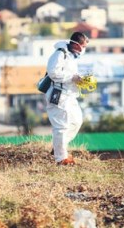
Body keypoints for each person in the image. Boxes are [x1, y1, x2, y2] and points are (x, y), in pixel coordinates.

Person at [45, 31, 89, 165]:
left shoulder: (72, 56)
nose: (84, 49)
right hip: (59, 95)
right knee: (61, 126)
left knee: (76, 121)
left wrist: (79, 80)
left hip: (70, 94)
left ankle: (59, 147)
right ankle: (61, 158)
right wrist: (72, 78)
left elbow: (69, 74)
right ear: (76, 45)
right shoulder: (60, 54)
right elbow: (53, 73)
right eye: (84, 46)